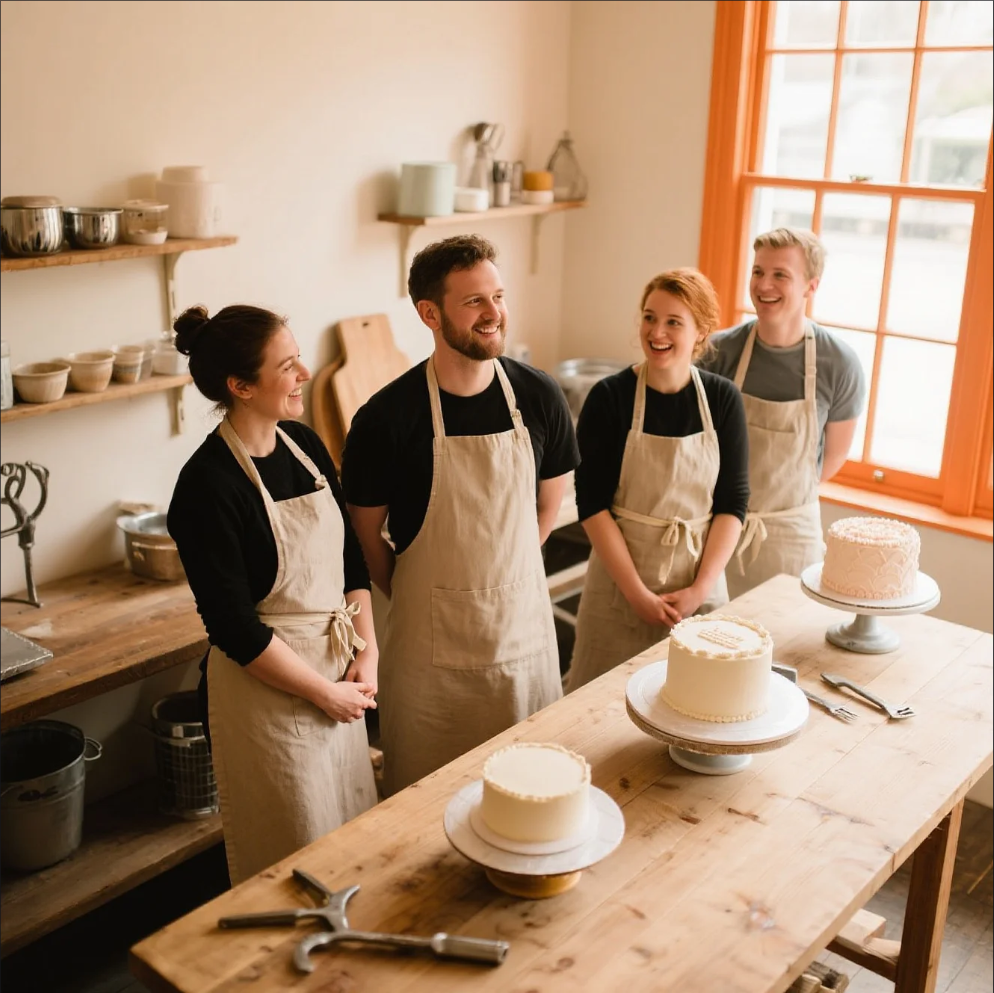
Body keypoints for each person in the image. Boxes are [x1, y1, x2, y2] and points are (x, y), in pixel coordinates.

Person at [341, 235, 579, 796]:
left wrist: (511, 569)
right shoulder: (385, 419)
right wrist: (417, 587)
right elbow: (364, 535)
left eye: (497, 296)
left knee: (528, 794)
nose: (494, 313)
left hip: (524, 641)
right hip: (431, 659)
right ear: (430, 313)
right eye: (474, 301)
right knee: (426, 800)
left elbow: (551, 503)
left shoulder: (540, 395)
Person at [167, 304, 378, 885]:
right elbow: (233, 627)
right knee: (290, 852)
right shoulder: (206, 486)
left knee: (346, 832)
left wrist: (368, 650)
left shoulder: (304, 445)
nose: (305, 373)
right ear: (241, 386)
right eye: (287, 365)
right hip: (270, 695)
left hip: (338, 671)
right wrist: (323, 694)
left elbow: (349, 559)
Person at [566, 268, 749, 690]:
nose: (657, 332)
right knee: (598, 709)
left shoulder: (722, 399)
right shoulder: (610, 397)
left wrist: (699, 589)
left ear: (702, 331)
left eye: (673, 322)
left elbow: (733, 503)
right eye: (650, 318)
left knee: (700, 704)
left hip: (698, 590)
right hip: (618, 592)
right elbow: (591, 503)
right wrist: (635, 593)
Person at [699, 228, 866, 598]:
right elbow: (696, 445)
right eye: (758, 271)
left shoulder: (838, 363)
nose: (764, 285)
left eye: (780, 275)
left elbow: (832, 458)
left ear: (811, 286)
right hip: (715, 534)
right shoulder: (719, 352)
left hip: (792, 539)